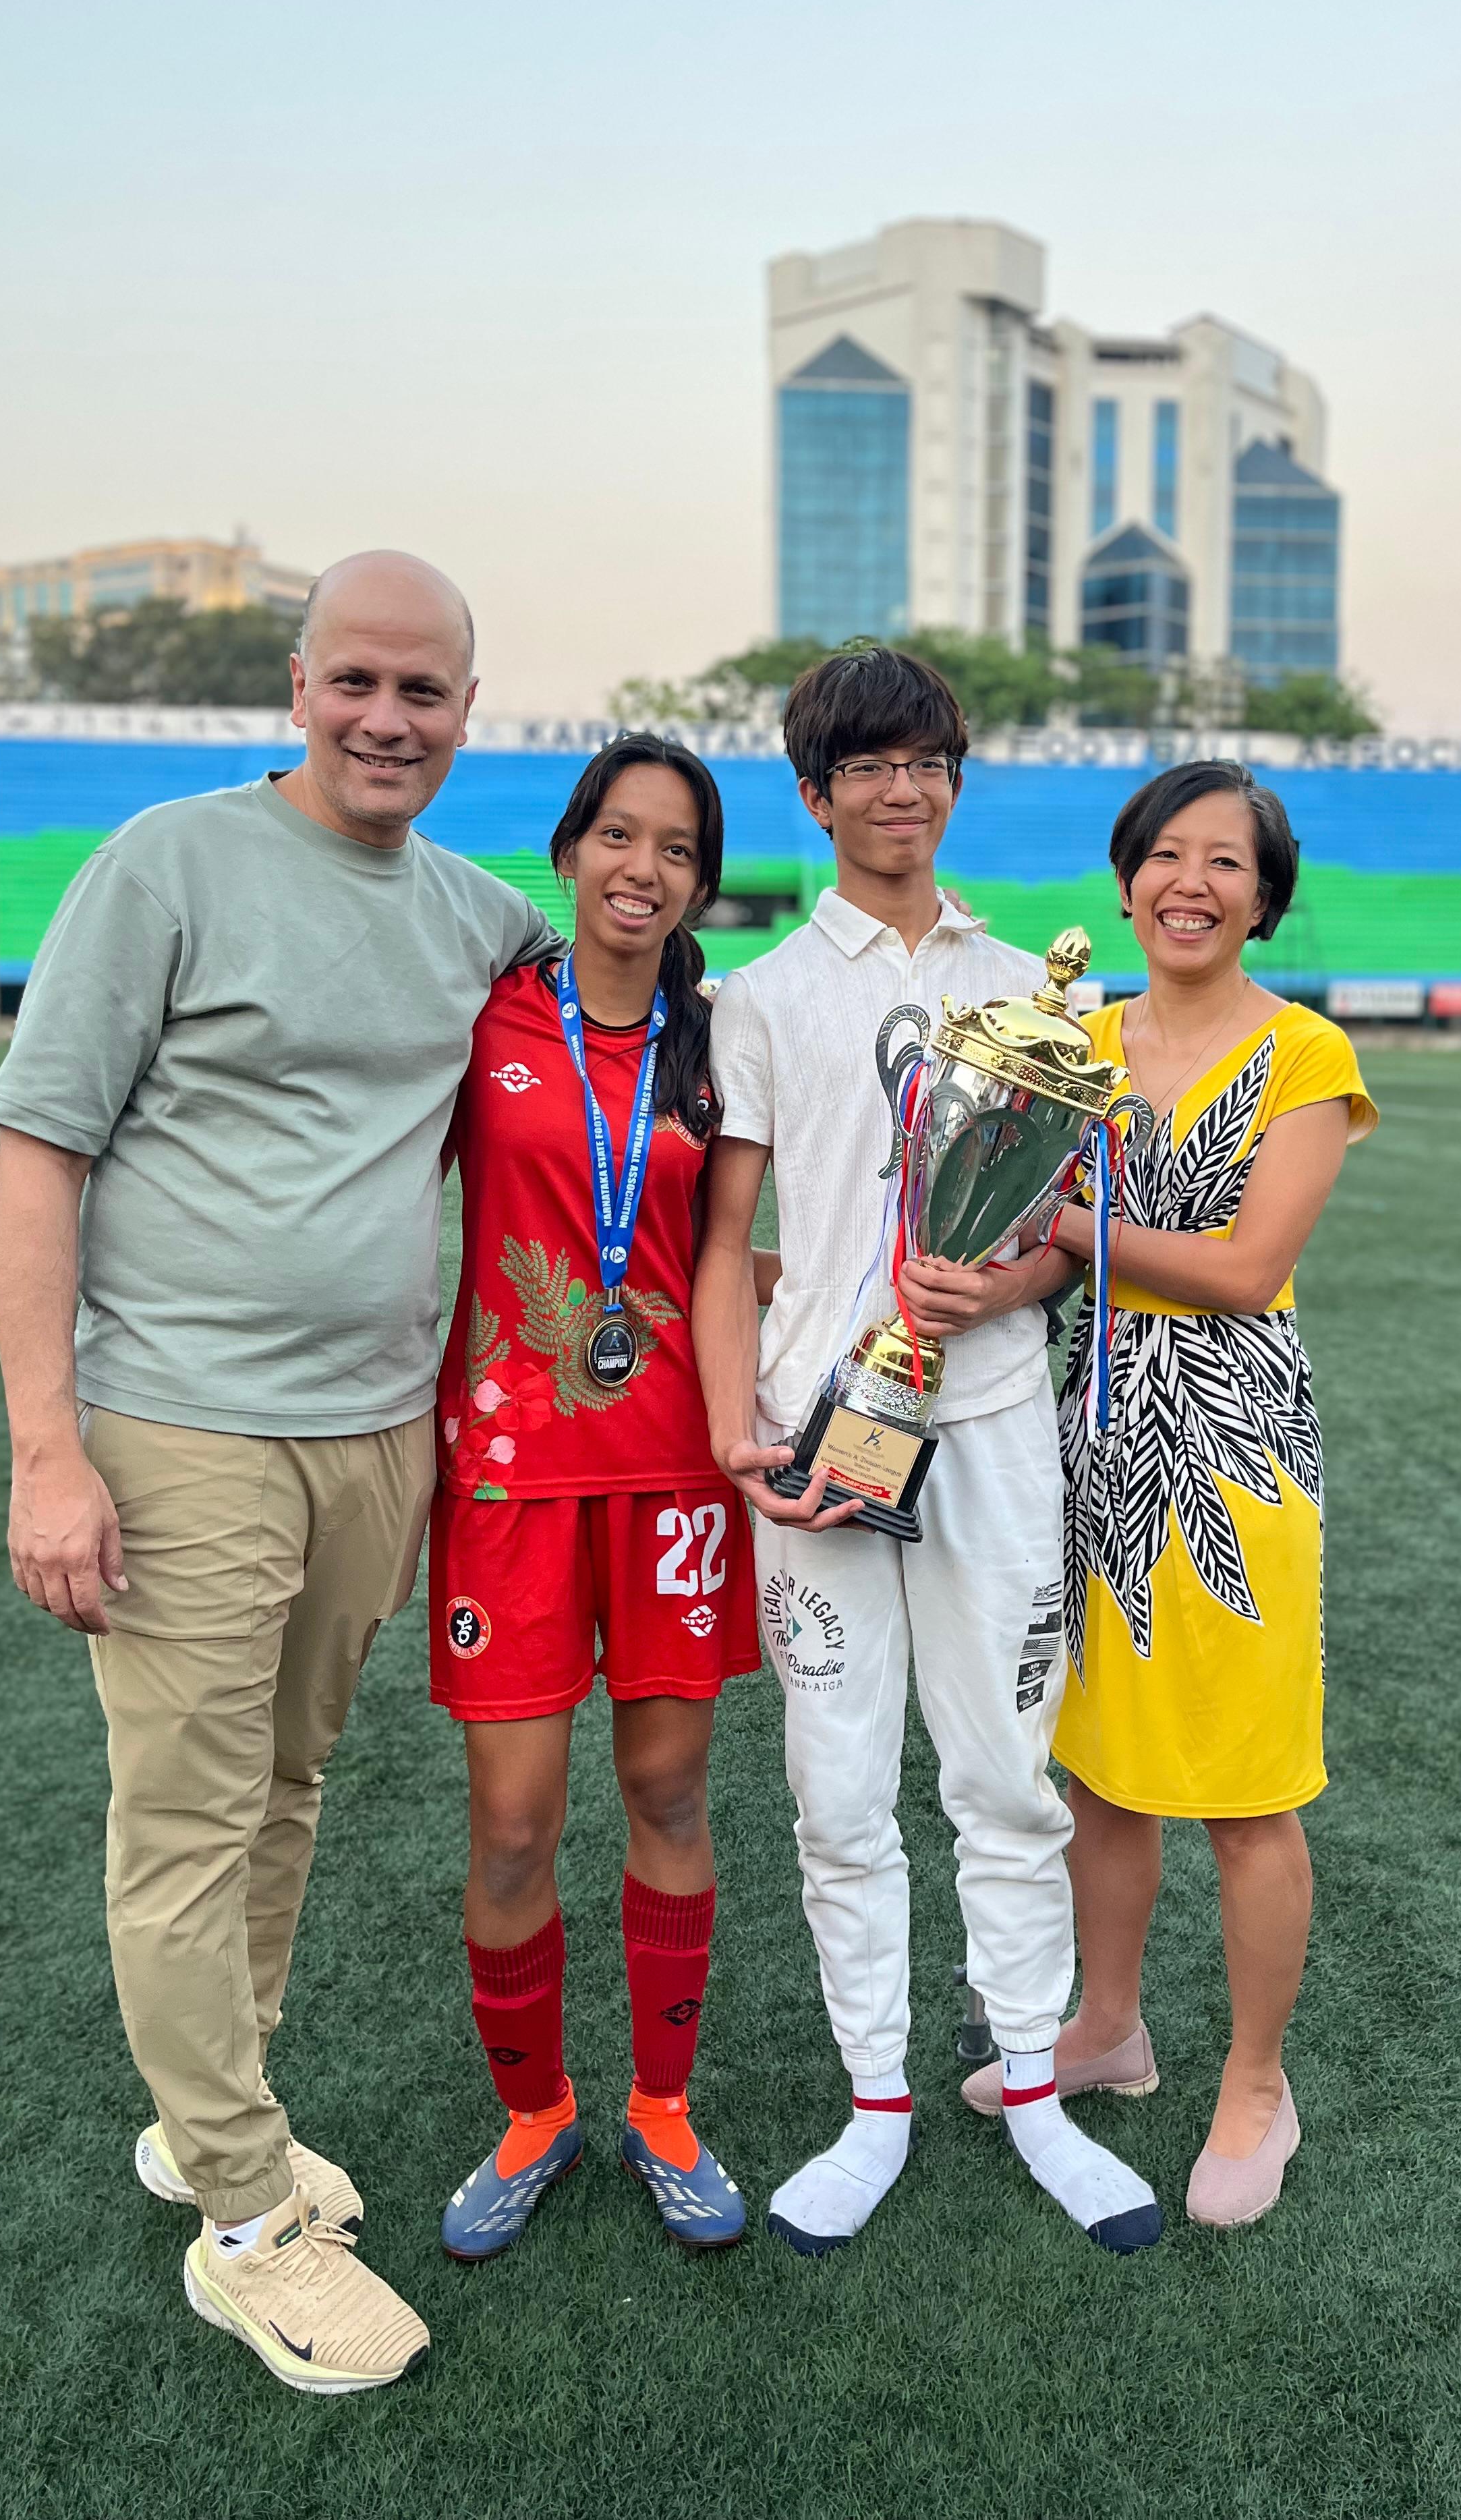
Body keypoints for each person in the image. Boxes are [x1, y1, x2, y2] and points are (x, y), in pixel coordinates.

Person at [0, 551, 561, 2394]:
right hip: (182, 1429)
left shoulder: (483, 918)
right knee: (188, 1818)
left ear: (469, 711)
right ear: (299, 687)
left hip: (377, 1436)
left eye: (424, 691)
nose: (388, 719)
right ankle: (244, 2223)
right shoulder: (168, 863)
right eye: (356, 682)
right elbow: (38, 1155)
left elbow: (596, 1094)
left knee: (288, 1789)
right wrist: (48, 1449)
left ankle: (207, 2117)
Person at [693, 646, 1162, 2258]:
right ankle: (875, 2104)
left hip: (996, 1420)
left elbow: (1066, 1237)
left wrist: (1007, 1286)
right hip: (821, 1434)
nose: (903, 791)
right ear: (815, 795)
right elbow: (726, 1243)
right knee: (838, 1793)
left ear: (955, 781)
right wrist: (733, 1423)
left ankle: (1033, 2089)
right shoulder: (758, 998)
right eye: (870, 766)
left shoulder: (1040, 989)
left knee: (1006, 1776)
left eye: (928, 763)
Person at [957, 760, 1377, 2229]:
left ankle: (1258, 2085)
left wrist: (1065, 1222)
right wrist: (976, 1278)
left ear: (1265, 899)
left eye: (1227, 863)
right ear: (1128, 877)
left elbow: (1244, 1269)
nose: (1191, 883)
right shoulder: (1079, 1036)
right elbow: (1041, 1250)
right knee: (1104, 1770)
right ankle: (1109, 2027)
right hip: (1089, 1446)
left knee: (1248, 1793)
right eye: (1166, 855)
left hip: (1236, 1459)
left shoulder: (1306, 1053)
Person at [430, 735, 758, 2260]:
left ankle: (663, 2108)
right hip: (511, 1475)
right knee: (512, 1824)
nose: (644, 869)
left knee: (671, 1793)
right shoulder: (483, 1013)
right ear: (568, 851)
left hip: (676, 1471)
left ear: (701, 882)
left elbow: (735, 1252)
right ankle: (535, 2112)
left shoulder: (721, 1041)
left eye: (677, 849)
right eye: (619, 836)